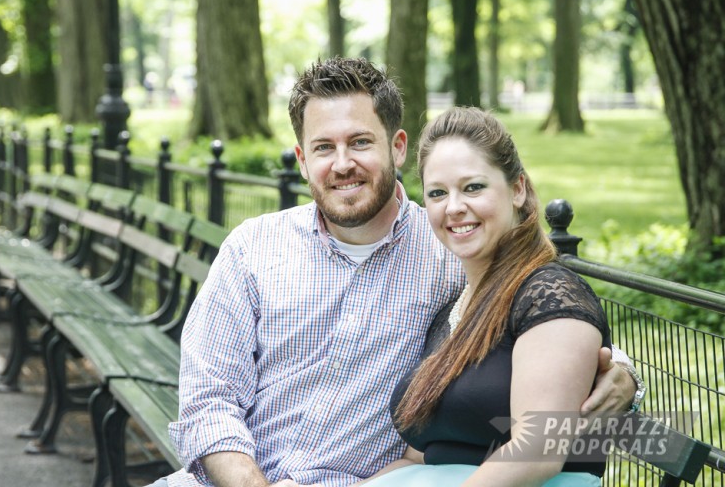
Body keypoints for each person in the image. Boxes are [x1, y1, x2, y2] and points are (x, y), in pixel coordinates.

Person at [149, 57, 640, 487]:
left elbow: (541, 314)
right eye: (323, 148)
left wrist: (620, 372)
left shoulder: (453, 248)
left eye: (360, 142)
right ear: (302, 159)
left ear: (398, 147)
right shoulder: (252, 248)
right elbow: (207, 400)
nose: (343, 164)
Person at [359, 107, 614, 487]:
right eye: (438, 193)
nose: (454, 206)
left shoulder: (549, 296)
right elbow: (421, 456)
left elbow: (538, 449)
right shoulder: (454, 310)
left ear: (517, 189)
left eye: (473, 187)